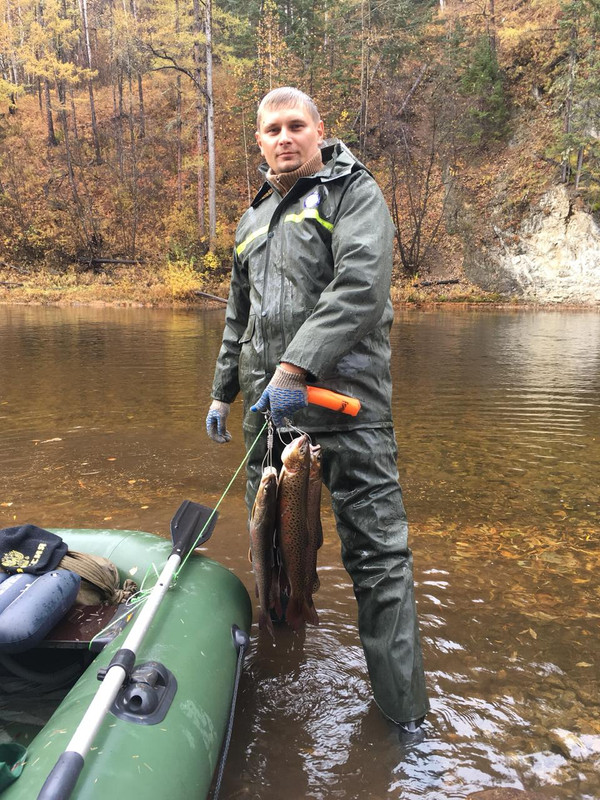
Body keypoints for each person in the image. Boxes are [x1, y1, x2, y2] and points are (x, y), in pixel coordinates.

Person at [206, 87, 429, 735]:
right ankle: (281, 690)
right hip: (270, 418)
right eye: (272, 129)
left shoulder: (354, 193)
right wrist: (223, 391)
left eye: (296, 125)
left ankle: (405, 725)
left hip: (348, 410)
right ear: (258, 140)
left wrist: (295, 367)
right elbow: (239, 316)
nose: (285, 137)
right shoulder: (252, 218)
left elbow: (360, 288)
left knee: (379, 564)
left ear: (319, 130)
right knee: (273, 553)